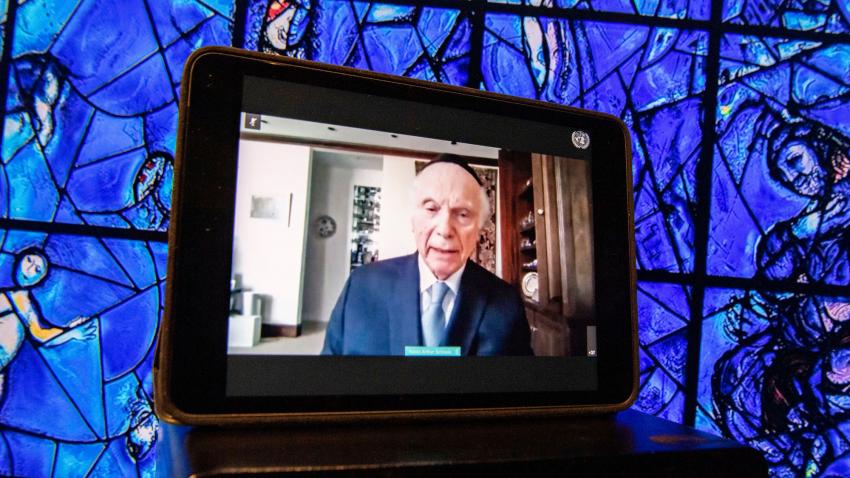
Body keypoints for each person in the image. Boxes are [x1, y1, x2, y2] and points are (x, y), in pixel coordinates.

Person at [322, 154, 532, 355]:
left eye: (463, 214)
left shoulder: (506, 303)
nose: (444, 229)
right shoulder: (361, 287)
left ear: (479, 229)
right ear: (413, 220)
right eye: (431, 209)